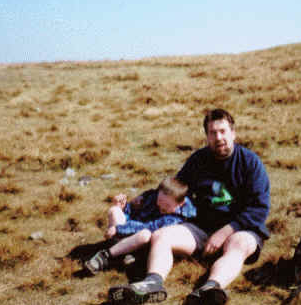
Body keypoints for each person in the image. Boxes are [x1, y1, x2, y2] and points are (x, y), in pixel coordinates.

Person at [108, 109, 271, 305]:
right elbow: (175, 189)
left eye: (223, 131)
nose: (218, 137)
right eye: (212, 133)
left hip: (239, 228)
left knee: (240, 245)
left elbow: (259, 209)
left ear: (233, 133)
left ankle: (210, 290)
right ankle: (151, 284)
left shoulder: (250, 163)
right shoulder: (198, 160)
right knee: (161, 235)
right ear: (207, 136)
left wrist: (225, 232)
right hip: (200, 228)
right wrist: (143, 199)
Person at [85, 177, 196, 275]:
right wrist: (124, 207)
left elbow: (150, 227)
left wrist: (118, 229)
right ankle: (121, 254)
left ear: (180, 204)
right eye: (160, 200)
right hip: (130, 230)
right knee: (114, 210)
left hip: (141, 240)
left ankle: (106, 255)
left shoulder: (176, 217)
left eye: (167, 205)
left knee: (144, 235)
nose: (161, 205)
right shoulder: (152, 197)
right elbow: (134, 212)